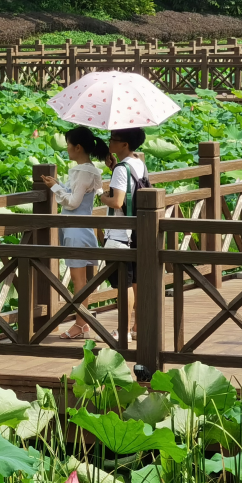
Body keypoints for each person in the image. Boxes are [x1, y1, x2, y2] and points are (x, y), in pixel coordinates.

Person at [41, 127, 109, 340]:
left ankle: (80, 324)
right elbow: (81, 196)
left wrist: (54, 189)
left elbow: (72, 202)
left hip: (75, 230)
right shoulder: (91, 170)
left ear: (78, 147)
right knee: (83, 281)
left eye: (68, 144)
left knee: (79, 282)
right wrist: (58, 185)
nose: (67, 148)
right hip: (83, 227)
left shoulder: (82, 172)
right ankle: (83, 323)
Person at [99, 127, 148, 343]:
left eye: (113, 139)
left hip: (120, 234)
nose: (109, 142)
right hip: (137, 230)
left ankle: (124, 329)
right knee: (136, 280)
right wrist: (114, 168)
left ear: (124, 144)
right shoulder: (138, 162)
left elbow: (117, 202)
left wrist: (102, 196)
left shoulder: (122, 168)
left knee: (123, 283)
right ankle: (137, 327)